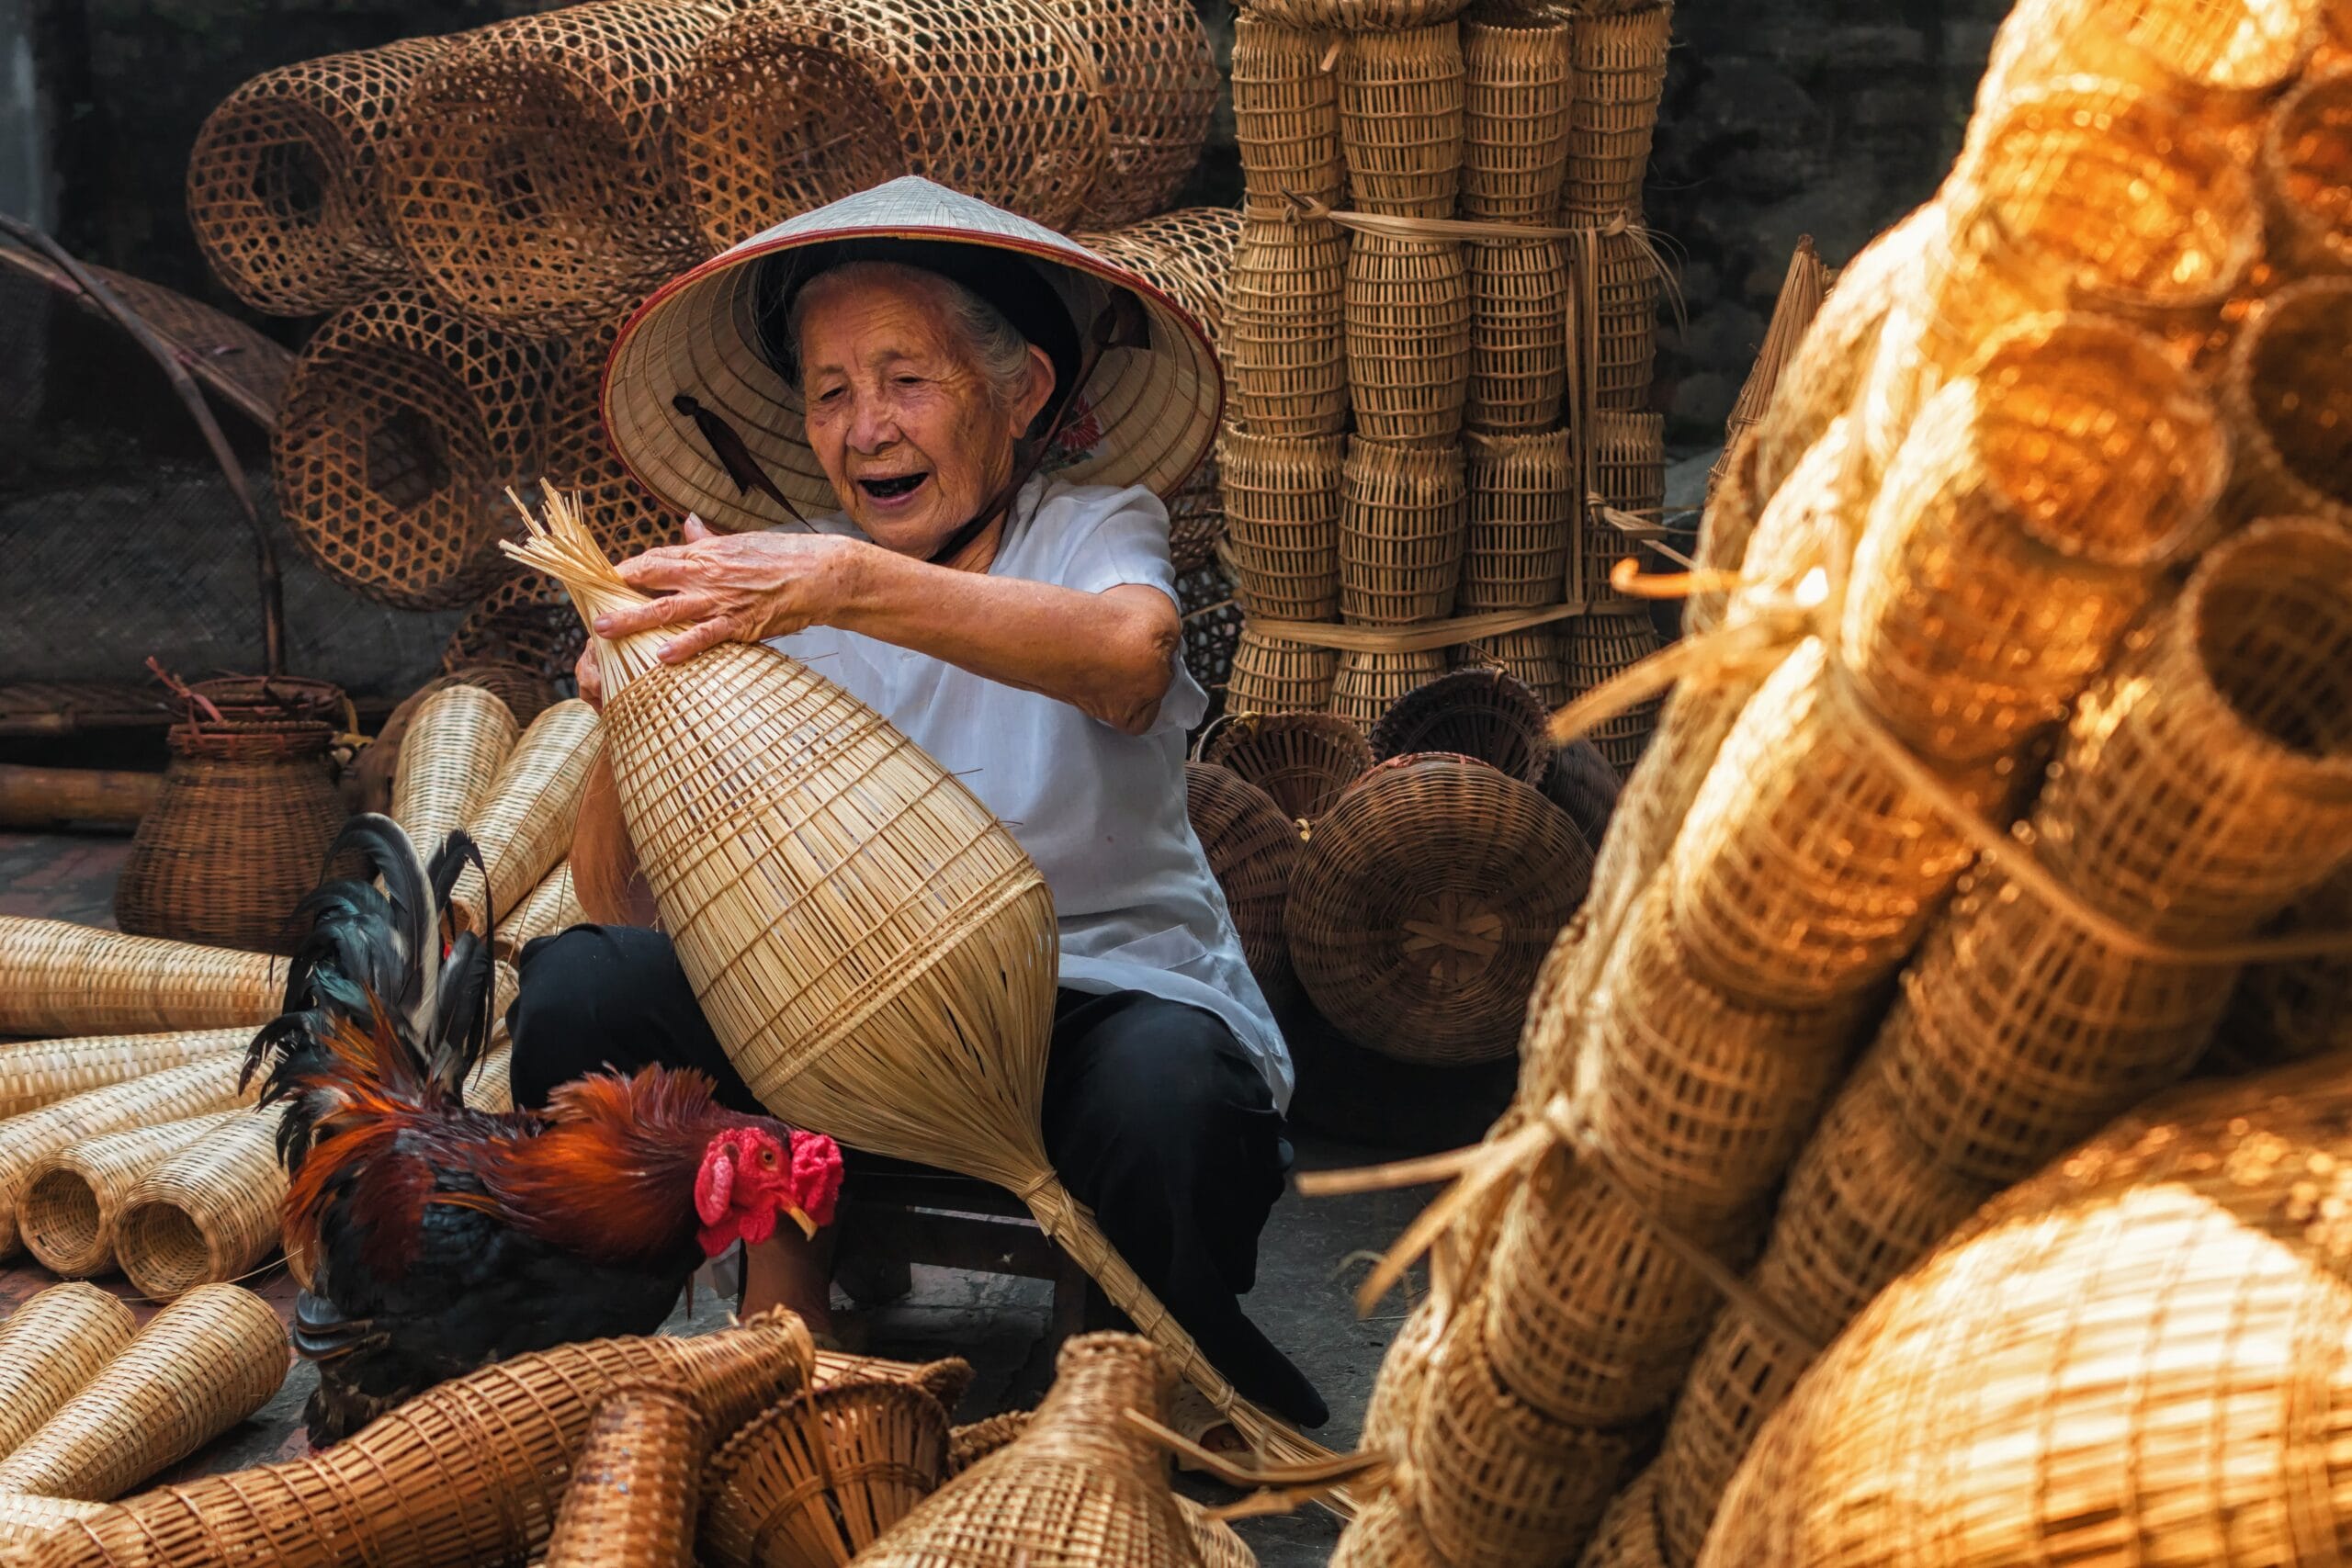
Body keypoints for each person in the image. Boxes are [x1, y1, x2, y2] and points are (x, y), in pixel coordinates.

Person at [503, 177, 1324, 1429]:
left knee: (1172, 1095)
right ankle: (640, 1373)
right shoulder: (769, 590)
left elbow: (1128, 659)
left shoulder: (1090, 529)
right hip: (831, 1048)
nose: (865, 424)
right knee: (580, 987)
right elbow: (636, 908)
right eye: (830, 391)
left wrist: (845, 582)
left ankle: (1139, 1386)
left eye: (907, 378)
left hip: (1084, 1016)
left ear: (1023, 391)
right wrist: (635, 710)